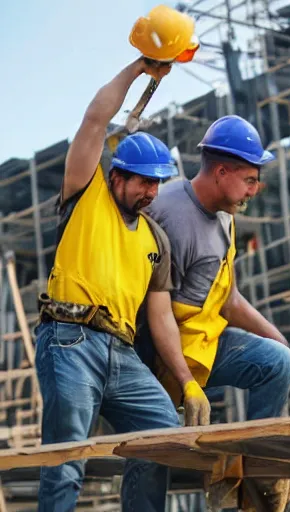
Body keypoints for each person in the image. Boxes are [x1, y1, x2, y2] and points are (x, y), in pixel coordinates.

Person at [34, 58, 209, 512]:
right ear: (116, 177)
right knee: (67, 456)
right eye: (142, 183)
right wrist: (140, 69)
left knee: (161, 434)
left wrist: (188, 382)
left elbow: (161, 318)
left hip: (124, 353)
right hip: (70, 339)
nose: (151, 193)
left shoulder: (157, 240)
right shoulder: (85, 192)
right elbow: (95, 119)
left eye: (157, 184)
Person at [144, 114, 290, 427]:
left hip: (204, 345)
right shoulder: (167, 215)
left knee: (278, 362)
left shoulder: (226, 215)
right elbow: (152, 314)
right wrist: (185, 382)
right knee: (157, 455)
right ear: (222, 172)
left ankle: (256, 465)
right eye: (250, 180)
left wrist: (279, 342)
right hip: (159, 357)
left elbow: (230, 300)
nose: (254, 191)